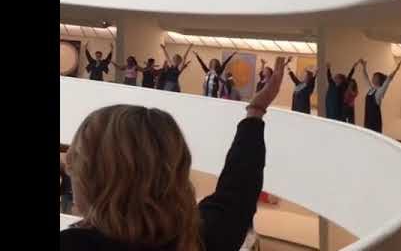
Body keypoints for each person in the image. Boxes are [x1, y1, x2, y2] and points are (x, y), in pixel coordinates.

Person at [60, 57, 288, 251]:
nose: (69, 166)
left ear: (99, 178)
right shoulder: (201, 238)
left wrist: (255, 113)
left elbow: (237, 191)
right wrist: (255, 112)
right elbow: (238, 188)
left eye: (77, 160)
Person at [360, 59, 401, 133]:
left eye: (375, 77)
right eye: (373, 76)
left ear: (379, 80)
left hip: (375, 121)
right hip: (367, 119)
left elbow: (388, 79)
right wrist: (364, 66)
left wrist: (396, 69)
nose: (373, 78)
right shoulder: (371, 89)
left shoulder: (379, 91)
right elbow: (365, 77)